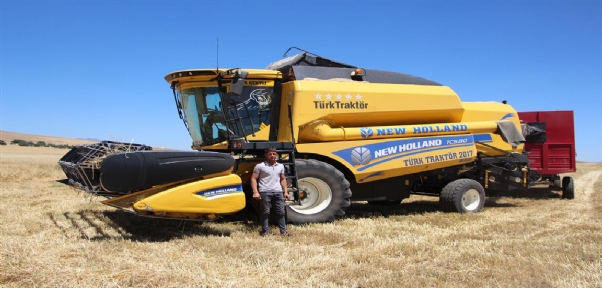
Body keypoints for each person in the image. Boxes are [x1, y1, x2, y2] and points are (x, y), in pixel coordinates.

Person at [250, 148, 290, 236]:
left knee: (281, 212)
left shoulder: (280, 166)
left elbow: (283, 179)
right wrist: (255, 192)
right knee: (265, 212)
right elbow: (253, 179)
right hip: (265, 191)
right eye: (270, 154)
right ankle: (265, 231)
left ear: (277, 155)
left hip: (278, 191)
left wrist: (285, 191)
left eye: (274, 154)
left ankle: (283, 231)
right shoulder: (260, 166)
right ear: (266, 155)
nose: (272, 156)